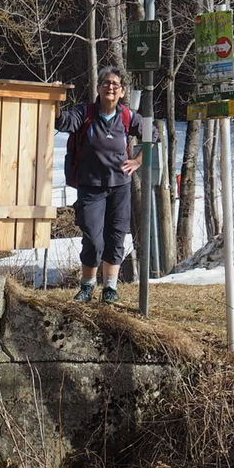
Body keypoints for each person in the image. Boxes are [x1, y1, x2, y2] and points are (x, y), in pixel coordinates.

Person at [57, 66, 147, 303]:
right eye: (106, 83)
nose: (110, 87)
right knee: (94, 239)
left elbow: (152, 135)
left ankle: (110, 288)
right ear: (98, 88)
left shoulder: (128, 117)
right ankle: (87, 286)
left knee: (116, 237)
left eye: (115, 84)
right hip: (90, 186)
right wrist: (55, 102)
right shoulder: (84, 113)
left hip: (120, 186)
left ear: (122, 91)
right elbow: (63, 122)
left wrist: (138, 160)